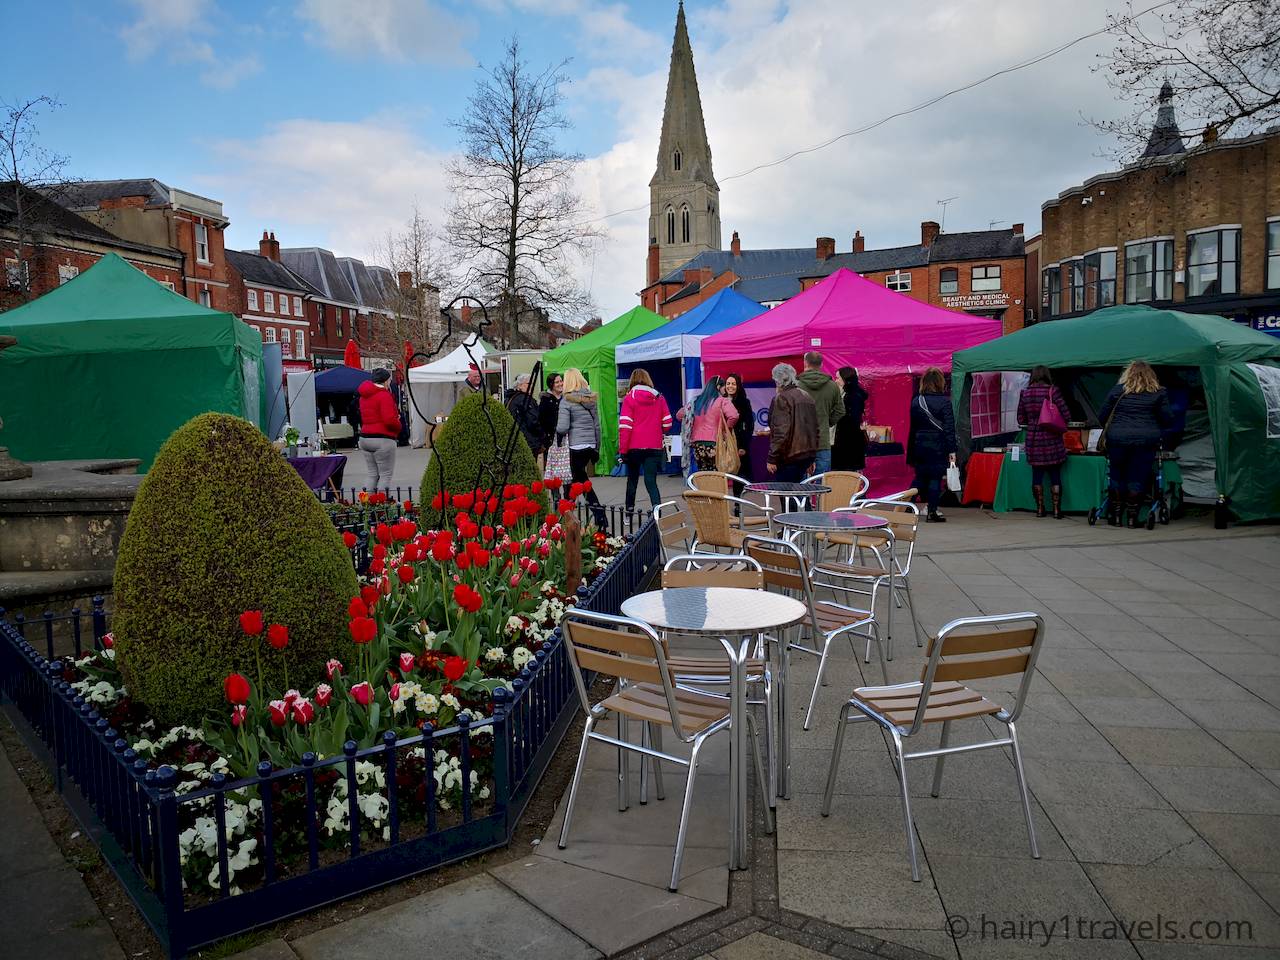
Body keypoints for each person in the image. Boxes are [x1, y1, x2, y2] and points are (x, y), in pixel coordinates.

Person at [1098, 360, 1173, 528]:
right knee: (1137, 476)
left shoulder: (1117, 391)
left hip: (1117, 438)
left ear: (1127, 374)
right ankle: (1132, 518)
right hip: (1145, 439)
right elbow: (1168, 419)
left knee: (1116, 474)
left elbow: (1102, 416)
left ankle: (1116, 517)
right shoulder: (1159, 393)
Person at [556, 368, 609, 529]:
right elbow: (597, 425)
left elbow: (563, 427)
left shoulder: (566, 400)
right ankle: (571, 515)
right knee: (576, 480)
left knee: (579, 481)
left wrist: (557, 432)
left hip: (575, 445)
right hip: (589, 445)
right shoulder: (589, 398)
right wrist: (596, 448)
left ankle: (598, 516)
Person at [1017, 365, 1072, 519]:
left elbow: (1020, 419)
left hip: (1033, 439)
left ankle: (1040, 509)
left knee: (1037, 475)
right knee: (1055, 475)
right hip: (1052, 438)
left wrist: (1033, 420)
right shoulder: (1053, 392)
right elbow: (1066, 415)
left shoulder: (1025, 393)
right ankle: (1056, 510)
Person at [617, 368, 672, 514]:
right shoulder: (659, 397)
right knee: (651, 482)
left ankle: (628, 513)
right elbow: (667, 424)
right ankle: (657, 512)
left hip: (633, 447)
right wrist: (656, 430)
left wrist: (623, 451)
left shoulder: (629, 398)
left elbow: (625, 427)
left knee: (632, 480)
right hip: (654, 446)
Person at [907, 366, 956, 523]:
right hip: (938, 444)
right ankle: (932, 511)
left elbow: (913, 427)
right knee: (935, 478)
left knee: (919, 477)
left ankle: (907, 505)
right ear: (940, 382)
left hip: (920, 443)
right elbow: (949, 428)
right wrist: (952, 450)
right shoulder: (945, 402)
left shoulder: (916, 401)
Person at [766, 363, 819, 482]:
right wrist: (812, 458)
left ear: (778, 380)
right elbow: (815, 429)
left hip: (788, 456)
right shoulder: (807, 396)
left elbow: (781, 432)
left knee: (787, 495)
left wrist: (772, 458)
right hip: (806, 455)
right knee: (799, 494)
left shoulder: (781, 398)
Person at [676, 376, 738, 474]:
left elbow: (679, 415)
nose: (725, 390)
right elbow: (734, 416)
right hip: (715, 443)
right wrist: (726, 429)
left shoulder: (696, 401)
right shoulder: (722, 400)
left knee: (703, 474)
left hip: (697, 444)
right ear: (718, 387)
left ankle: (704, 489)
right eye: (723, 387)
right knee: (717, 474)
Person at [796, 351, 844, 476]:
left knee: (800, 484)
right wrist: (827, 422)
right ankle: (818, 497)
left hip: (800, 441)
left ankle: (802, 497)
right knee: (821, 482)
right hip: (822, 439)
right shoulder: (832, 386)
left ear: (805, 363)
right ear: (822, 364)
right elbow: (840, 410)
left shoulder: (796, 385)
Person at [357, 368, 402, 493]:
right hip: (383, 439)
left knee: (372, 474)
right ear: (386, 381)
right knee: (385, 475)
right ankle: (382, 505)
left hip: (365, 437)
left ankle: (367, 504)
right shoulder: (384, 395)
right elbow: (389, 420)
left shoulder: (363, 396)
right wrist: (398, 424)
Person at [832, 366, 868, 471]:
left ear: (845, 380)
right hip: (848, 442)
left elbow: (851, 421)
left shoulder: (852, 397)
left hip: (848, 444)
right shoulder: (850, 394)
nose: (836, 380)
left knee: (846, 474)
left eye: (838, 378)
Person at [724, 373, 754, 495]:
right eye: (728, 384)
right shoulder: (720, 400)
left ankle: (737, 503)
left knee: (739, 475)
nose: (730, 386)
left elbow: (749, 425)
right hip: (722, 442)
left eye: (733, 384)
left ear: (738, 386)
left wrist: (743, 446)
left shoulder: (744, 402)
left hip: (738, 442)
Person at [504, 373, 542, 456]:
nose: (532, 386)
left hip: (513, 441)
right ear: (520, 385)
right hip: (528, 441)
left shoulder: (509, 398)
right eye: (529, 383)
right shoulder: (526, 400)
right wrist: (542, 435)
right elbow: (533, 421)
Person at [538, 372, 564, 455]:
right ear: (551, 384)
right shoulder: (545, 400)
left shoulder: (566, 398)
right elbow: (541, 421)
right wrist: (545, 439)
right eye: (557, 382)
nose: (560, 384)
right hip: (550, 440)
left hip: (565, 438)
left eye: (561, 381)